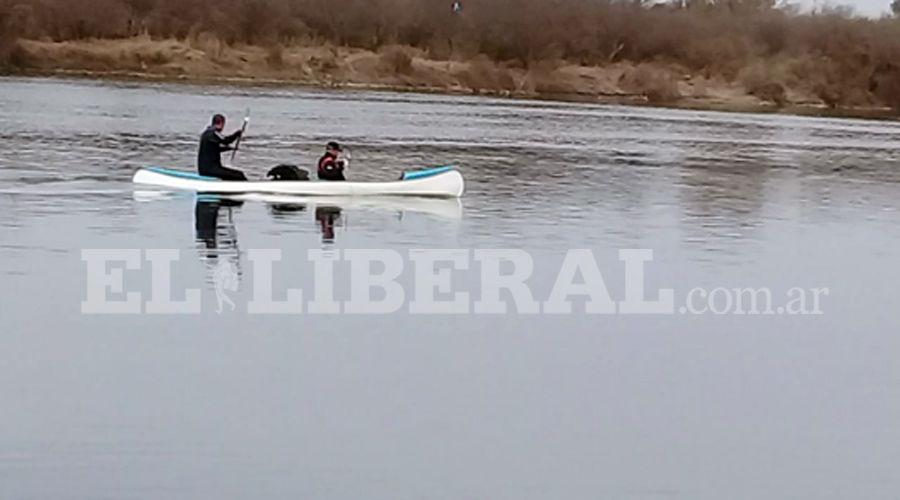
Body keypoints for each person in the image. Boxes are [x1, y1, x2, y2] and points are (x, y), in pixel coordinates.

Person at [197, 114, 246, 181]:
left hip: (204, 169)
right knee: (239, 175)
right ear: (221, 123)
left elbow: (214, 149)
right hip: (211, 170)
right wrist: (237, 134)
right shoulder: (213, 133)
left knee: (231, 174)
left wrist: (229, 148)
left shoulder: (206, 133)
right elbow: (226, 141)